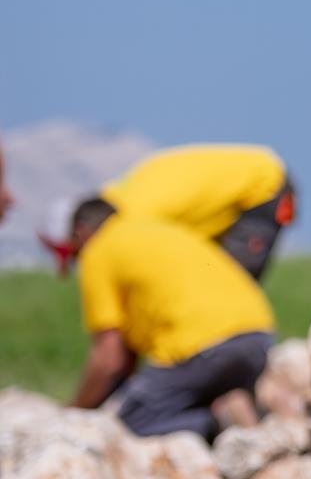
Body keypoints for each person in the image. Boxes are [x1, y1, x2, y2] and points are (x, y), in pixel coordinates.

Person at [64, 197, 275, 439]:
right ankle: (236, 411)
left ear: (81, 232)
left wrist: (75, 413)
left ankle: (216, 423)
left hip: (200, 346)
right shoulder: (161, 228)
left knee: (132, 423)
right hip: (257, 335)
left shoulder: (98, 249)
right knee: (181, 394)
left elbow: (109, 358)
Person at [42, 143, 295, 279]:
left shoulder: (132, 221)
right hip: (246, 187)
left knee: (226, 289)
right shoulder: (120, 199)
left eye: (76, 255)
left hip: (263, 187)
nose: (85, 262)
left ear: (82, 232)